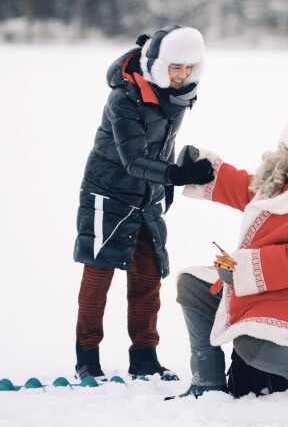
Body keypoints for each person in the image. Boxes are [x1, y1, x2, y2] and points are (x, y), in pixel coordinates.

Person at [168, 108, 288, 408]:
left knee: (251, 341)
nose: (279, 153)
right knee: (191, 285)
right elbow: (252, 191)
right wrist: (206, 169)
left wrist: (243, 269)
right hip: (271, 284)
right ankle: (207, 385)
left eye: (285, 150)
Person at [73, 24, 214, 382]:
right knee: (99, 276)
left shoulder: (179, 95)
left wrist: (180, 169)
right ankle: (87, 358)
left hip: (148, 196)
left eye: (188, 68)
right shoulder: (125, 99)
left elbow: (160, 145)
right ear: (156, 63)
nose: (182, 76)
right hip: (109, 192)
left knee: (148, 279)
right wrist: (176, 176)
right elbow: (133, 159)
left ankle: (145, 358)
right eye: (175, 68)